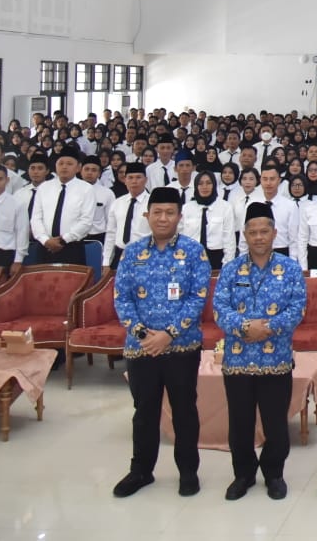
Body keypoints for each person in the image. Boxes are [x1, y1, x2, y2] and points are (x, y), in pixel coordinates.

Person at [111, 186, 211, 498]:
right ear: (147, 215)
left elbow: (198, 298)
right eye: (157, 212)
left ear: (180, 217)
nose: (163, 218)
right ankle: (141, 471)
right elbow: (122, 298)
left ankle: (188, 472)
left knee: (184, 410)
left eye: (170, 212)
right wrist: (143, 335)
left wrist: (169, 334)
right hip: (141, 348)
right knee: (144, 411)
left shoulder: (194, 252)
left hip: (182, 347)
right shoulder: (132, 253)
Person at [215, 201, 308, 501]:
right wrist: (245, 327)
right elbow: (219, 309)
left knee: (276, 424)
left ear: (274, 233)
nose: (258, 237)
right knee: (240, 424)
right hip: (238, 361)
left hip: (275, 359)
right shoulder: (231, 270)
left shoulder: (290, 269)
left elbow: (297, 308)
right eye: (252, 232)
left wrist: (267, 327)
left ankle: (274, 474)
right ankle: (243, 475)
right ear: (244, 235)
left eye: (263, 231)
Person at [30, 145, 94, 266]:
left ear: (78, 167)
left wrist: (63, 240)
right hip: (45, 246)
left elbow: (86, 222)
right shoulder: (44, 188)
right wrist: (45, 240)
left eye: (69, 164)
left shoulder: (86, 189)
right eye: (61, 163)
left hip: (72, 247)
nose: (64, 167)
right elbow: (36, 218)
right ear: (55, 166)